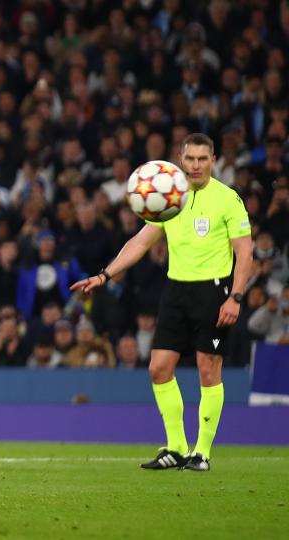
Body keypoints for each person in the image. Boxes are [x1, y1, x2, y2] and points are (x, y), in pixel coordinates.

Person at [71, 133, 252, 472]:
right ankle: (176, 447)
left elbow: (245, 251)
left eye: (202, 159)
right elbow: (139, 243)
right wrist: (104, 276)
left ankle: (202, 452)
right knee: (158, 369)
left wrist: (236, 297)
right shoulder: (171, 196)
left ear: (213, 160)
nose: (196, 165)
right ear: (181, 160)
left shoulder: (228, 200)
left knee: (207, 370)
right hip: (176, 292)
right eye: (190, 159)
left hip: (213, 292)